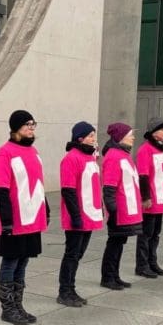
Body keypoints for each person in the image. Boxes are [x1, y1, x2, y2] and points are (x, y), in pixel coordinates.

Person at [0, 110, 48, 325]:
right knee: (10, 262)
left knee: (23, 262)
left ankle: (18, 305)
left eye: (33, 124)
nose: (31, 128)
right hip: (15, 219)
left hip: (32, 217)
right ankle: (8, 309)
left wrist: (46, 210)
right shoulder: (4, 153)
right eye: (27, 125)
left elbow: (38, 184)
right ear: (15, 128)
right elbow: (1, 189)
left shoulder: (33, 151)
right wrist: (6, 221)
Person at [57, 122, 103, 307]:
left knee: (79, 254)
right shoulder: (71, 158)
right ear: (80, 138)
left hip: (89, 215)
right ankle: (64, 291)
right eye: (90, 136)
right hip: (77, 216)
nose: (94, 139)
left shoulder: (89, 158)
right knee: (72, 254)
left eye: (94, 135)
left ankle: (71, 288)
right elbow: (68, 191)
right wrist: (76, 217)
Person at [100, 123, 143, 290]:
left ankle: (115, 275)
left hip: (126, 210)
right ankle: (108, 277)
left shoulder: (123, 154)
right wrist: (114, 211)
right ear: (120, 137)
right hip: (119, 211)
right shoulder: (113, 156)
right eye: (130, 134)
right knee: (114, 244)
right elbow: (109, 188)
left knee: (119, 244)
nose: (133, 137)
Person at [134, 117, 163, 278]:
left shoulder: (161, 149)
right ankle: (142, 265)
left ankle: (152, 262)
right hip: (151, 199)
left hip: (161, 197)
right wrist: (145, 197)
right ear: (154, 132)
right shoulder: (145, 150)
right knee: (146, 234)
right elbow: (143, 175)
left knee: (156, 233)